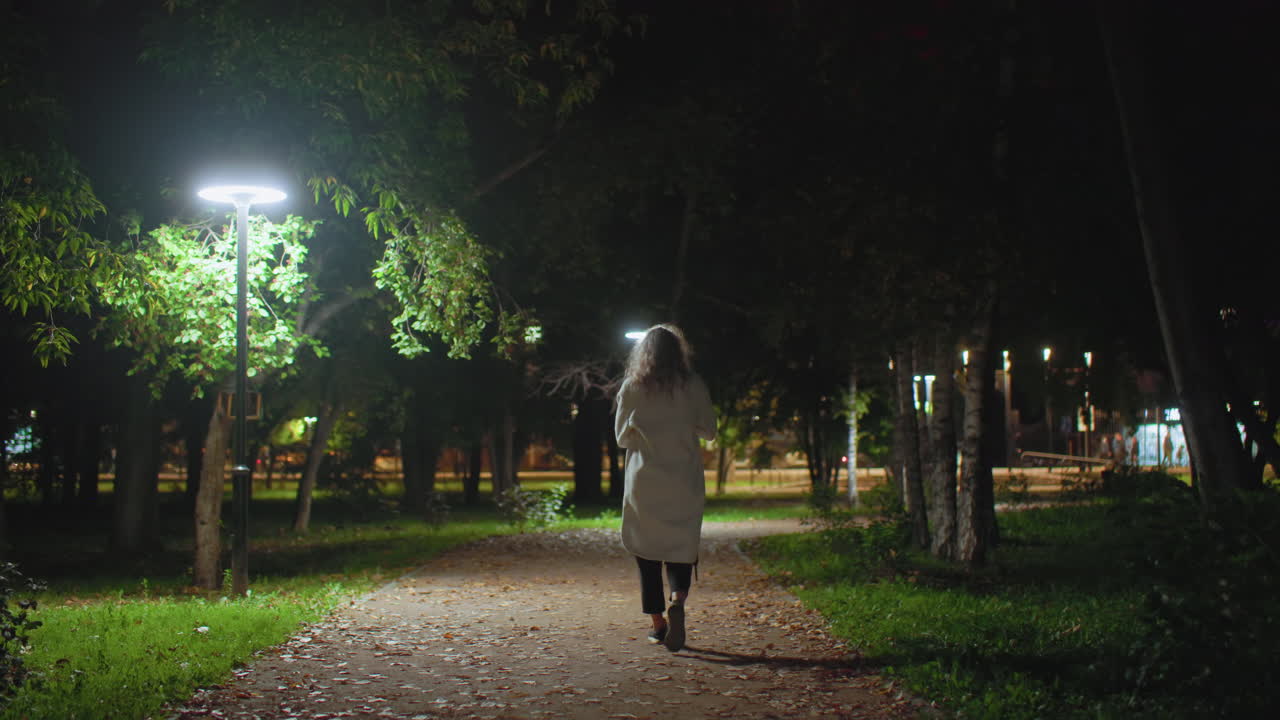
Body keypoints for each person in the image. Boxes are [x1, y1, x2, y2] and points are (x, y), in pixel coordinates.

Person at [615, 324, 716, 652]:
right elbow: (709, 430)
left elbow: (620, 437)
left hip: (645, 480)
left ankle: (658, 624)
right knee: (680, 548)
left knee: (646, 552)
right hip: (683, 479)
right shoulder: (693, 385)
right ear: (679, 352)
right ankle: (678, 599)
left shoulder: (632, 386)